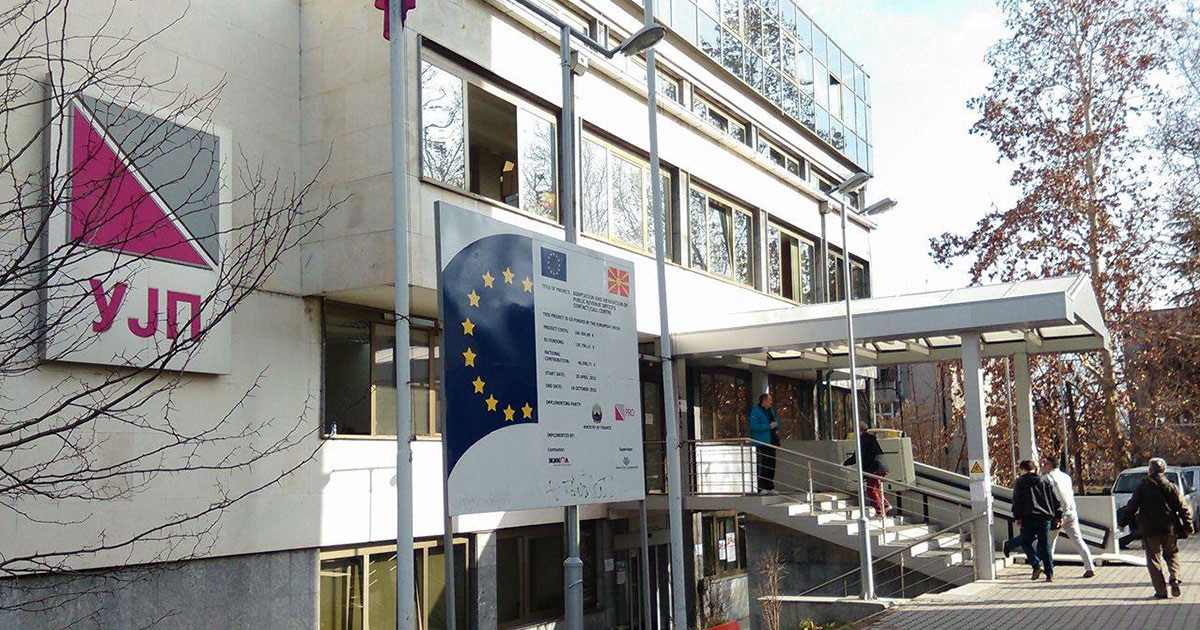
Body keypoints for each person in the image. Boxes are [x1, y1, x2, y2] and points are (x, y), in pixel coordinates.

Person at [1119, 457, 1194, 599]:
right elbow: (1183, 508)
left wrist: (1122, 522)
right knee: (1172, 554)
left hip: (1149, 530)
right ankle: (1174, 577)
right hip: (1169, 528)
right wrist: (1188, 526)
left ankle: (1161, 591)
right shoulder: (1172, 487)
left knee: (1153, 559)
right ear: (1163, 471)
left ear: (1150, 471)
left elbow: (1131, 506)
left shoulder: (1142, 488)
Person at [1003, 459, 1062, 582]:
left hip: (1028, 517)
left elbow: (1017, 500)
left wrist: (1017, 517)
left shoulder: (1020, 482)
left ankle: (1036, 564)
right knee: (1045, 545)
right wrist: (1058, 515)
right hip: (1045, 517)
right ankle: (1049, 574)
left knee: (1025, 541)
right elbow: (1054, 499)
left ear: (1023, 469)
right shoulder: (1044, 480)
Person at [1042, 455, 1096, 578]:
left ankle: (1048, 568)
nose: (1043, 466)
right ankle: (1089, 567)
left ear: (1050, 465)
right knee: (1078, 540)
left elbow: (1056, 497)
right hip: (1071, 512)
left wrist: (1058, 514)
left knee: (1049, 542)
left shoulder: (1048, 478)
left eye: (1045, 464)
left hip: (1057, 514)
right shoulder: (1066, 477)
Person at [844, 422, 891, 516]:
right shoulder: (870, 438)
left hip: (875, 468)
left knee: (871, 489)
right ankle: (885, 505)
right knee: (875, 488)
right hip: (880, 466)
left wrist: (845, 463)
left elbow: (857, 456)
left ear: (858, 430)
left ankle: (879, 510)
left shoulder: (862, 440)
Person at [748, 393, 779, 492]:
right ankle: (761, 487)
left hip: (771, 442)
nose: (771, 402)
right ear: (764, 401)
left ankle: (770, 487)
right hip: (762, 443)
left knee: (771, 465)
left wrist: (776, 425)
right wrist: (768, 426)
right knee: (763, 465)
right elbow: (754, 426)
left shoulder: (771, 411)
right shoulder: (756, 411)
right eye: (769, 400)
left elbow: (776, 422)